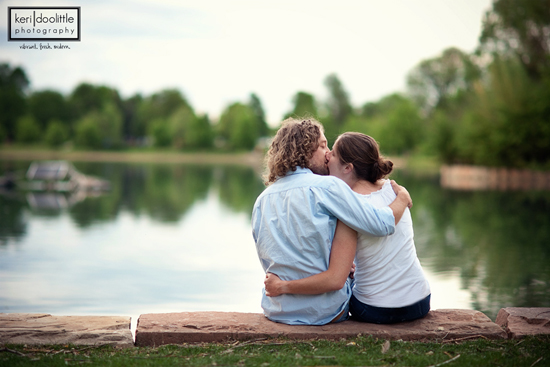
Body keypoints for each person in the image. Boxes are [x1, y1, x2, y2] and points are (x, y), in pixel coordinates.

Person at [252, 118, 413, 325]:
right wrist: (402, 198)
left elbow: (278, 258)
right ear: (305, 149)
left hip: (277, 310)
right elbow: (382, 224)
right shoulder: (328, 187)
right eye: (322, 145)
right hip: (326, 313)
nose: (328, 153)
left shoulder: (262, 200)